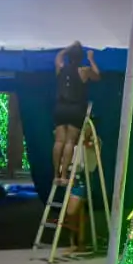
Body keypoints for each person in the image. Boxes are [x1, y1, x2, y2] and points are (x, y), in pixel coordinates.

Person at [53, 42, 99, 185]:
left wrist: (67, 48)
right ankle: (65, 175)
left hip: (60, 107)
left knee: (59, 141)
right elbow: (97, 75)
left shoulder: (60, 68)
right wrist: (91, 58)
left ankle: (56, 174)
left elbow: (59, 56)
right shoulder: (83, 71)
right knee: (69, 142)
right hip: (75, 109)